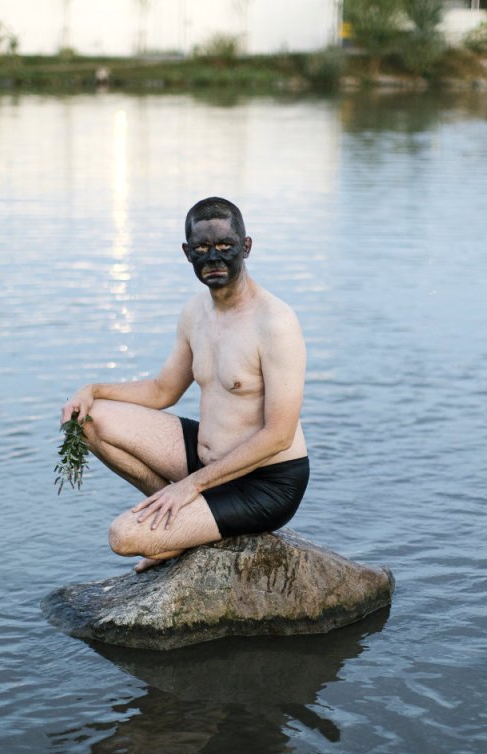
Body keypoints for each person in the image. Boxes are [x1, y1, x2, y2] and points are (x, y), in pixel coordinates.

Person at [60, 197, 309, 573]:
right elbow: (163, 391)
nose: (213, 259)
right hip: (205, 458)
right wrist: (92, 390)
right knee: (88, 420)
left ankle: (180, 527)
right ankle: (180, 526)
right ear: (186, 253)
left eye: (225, 247)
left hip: (265, 484)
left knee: (123, 536)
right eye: (201, 249)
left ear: (246, 247)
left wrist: (190, 487)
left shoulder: (275, 322)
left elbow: (279, 435)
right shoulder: (196, 313)